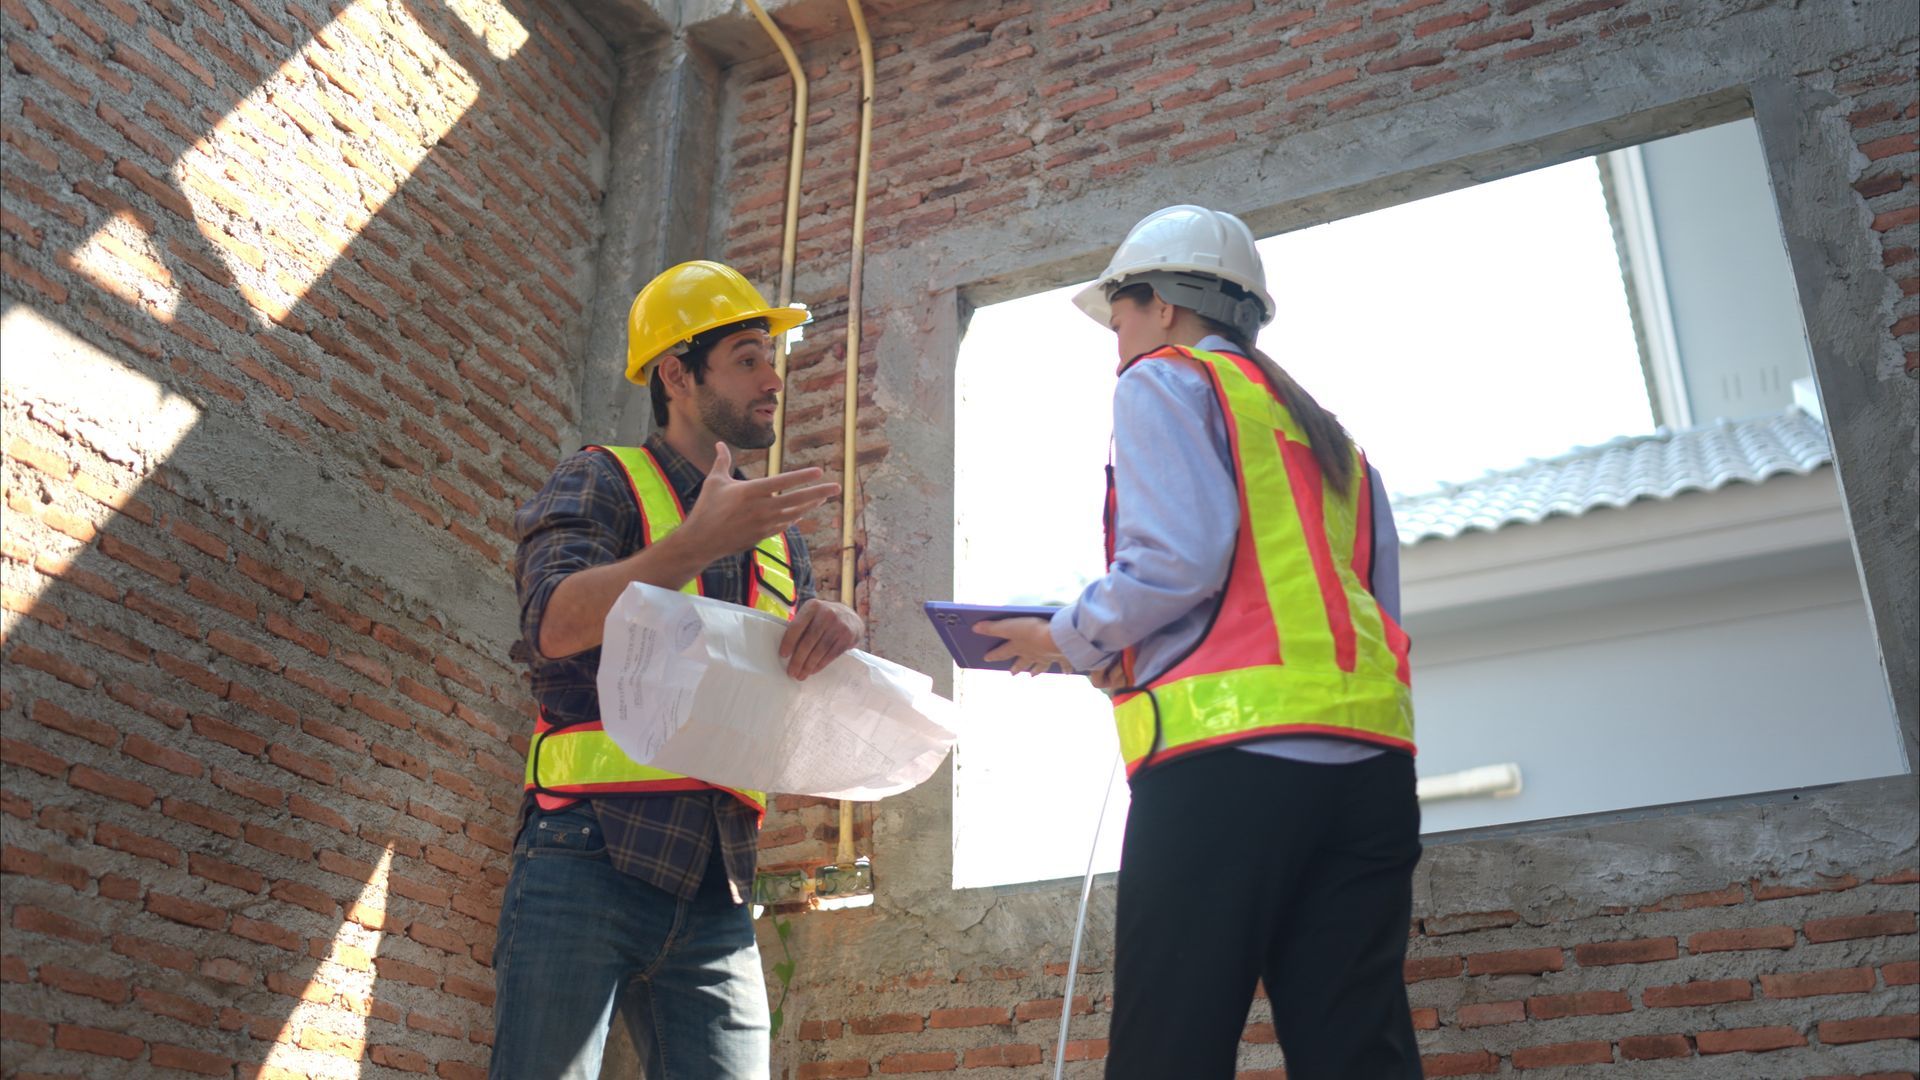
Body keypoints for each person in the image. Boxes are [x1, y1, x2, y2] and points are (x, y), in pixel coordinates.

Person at [978, 206, 1421, 1079]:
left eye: (1119, 316)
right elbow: (1359, 603)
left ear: (1165, 307)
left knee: (1169, 1051)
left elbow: (1177, 562)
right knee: (1357, 1050)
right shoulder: (1333, 439)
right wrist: (1122, 656)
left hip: (1228, 772)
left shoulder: (1163, 381)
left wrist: (1066, 638)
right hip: (1371, 769)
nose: (1117, 341)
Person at [491, 260, 861, 1080]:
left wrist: (841, 628)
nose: (773, 379)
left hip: (718, 888)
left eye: (772, 357)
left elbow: (783, 686)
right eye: (746, 358)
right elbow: (551, 623)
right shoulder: (601, 479)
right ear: (675, 375)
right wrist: (694, 543)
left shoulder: (778, 538)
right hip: (584, 851)